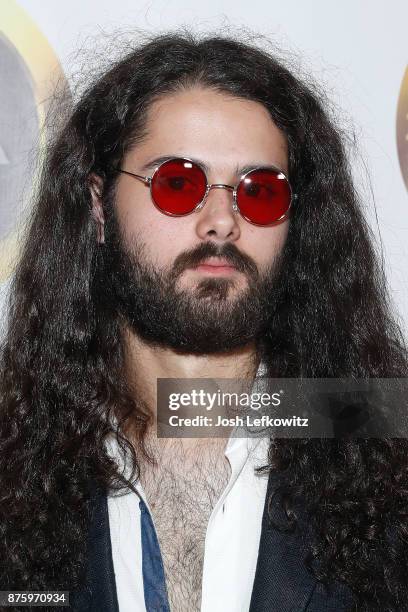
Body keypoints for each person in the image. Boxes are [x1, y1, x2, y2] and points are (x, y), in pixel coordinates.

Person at [0, 30, 407, 612]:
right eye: (177, 184)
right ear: (98, 207)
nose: (222, 221)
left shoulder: (385, 461)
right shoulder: (16, 467)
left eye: (260, 192)